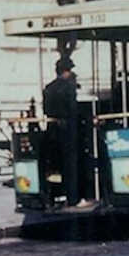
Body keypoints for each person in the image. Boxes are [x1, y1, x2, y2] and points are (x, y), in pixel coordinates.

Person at [43, 56, 80, 206]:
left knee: (54, 165)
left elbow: (46, 109)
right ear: (67, 71)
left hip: (52, 129)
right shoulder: (68, 87)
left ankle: (53, 196)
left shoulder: (49, 87)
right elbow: (73, 109)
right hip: (67, 129)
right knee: (70, 164)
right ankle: (72, 198)